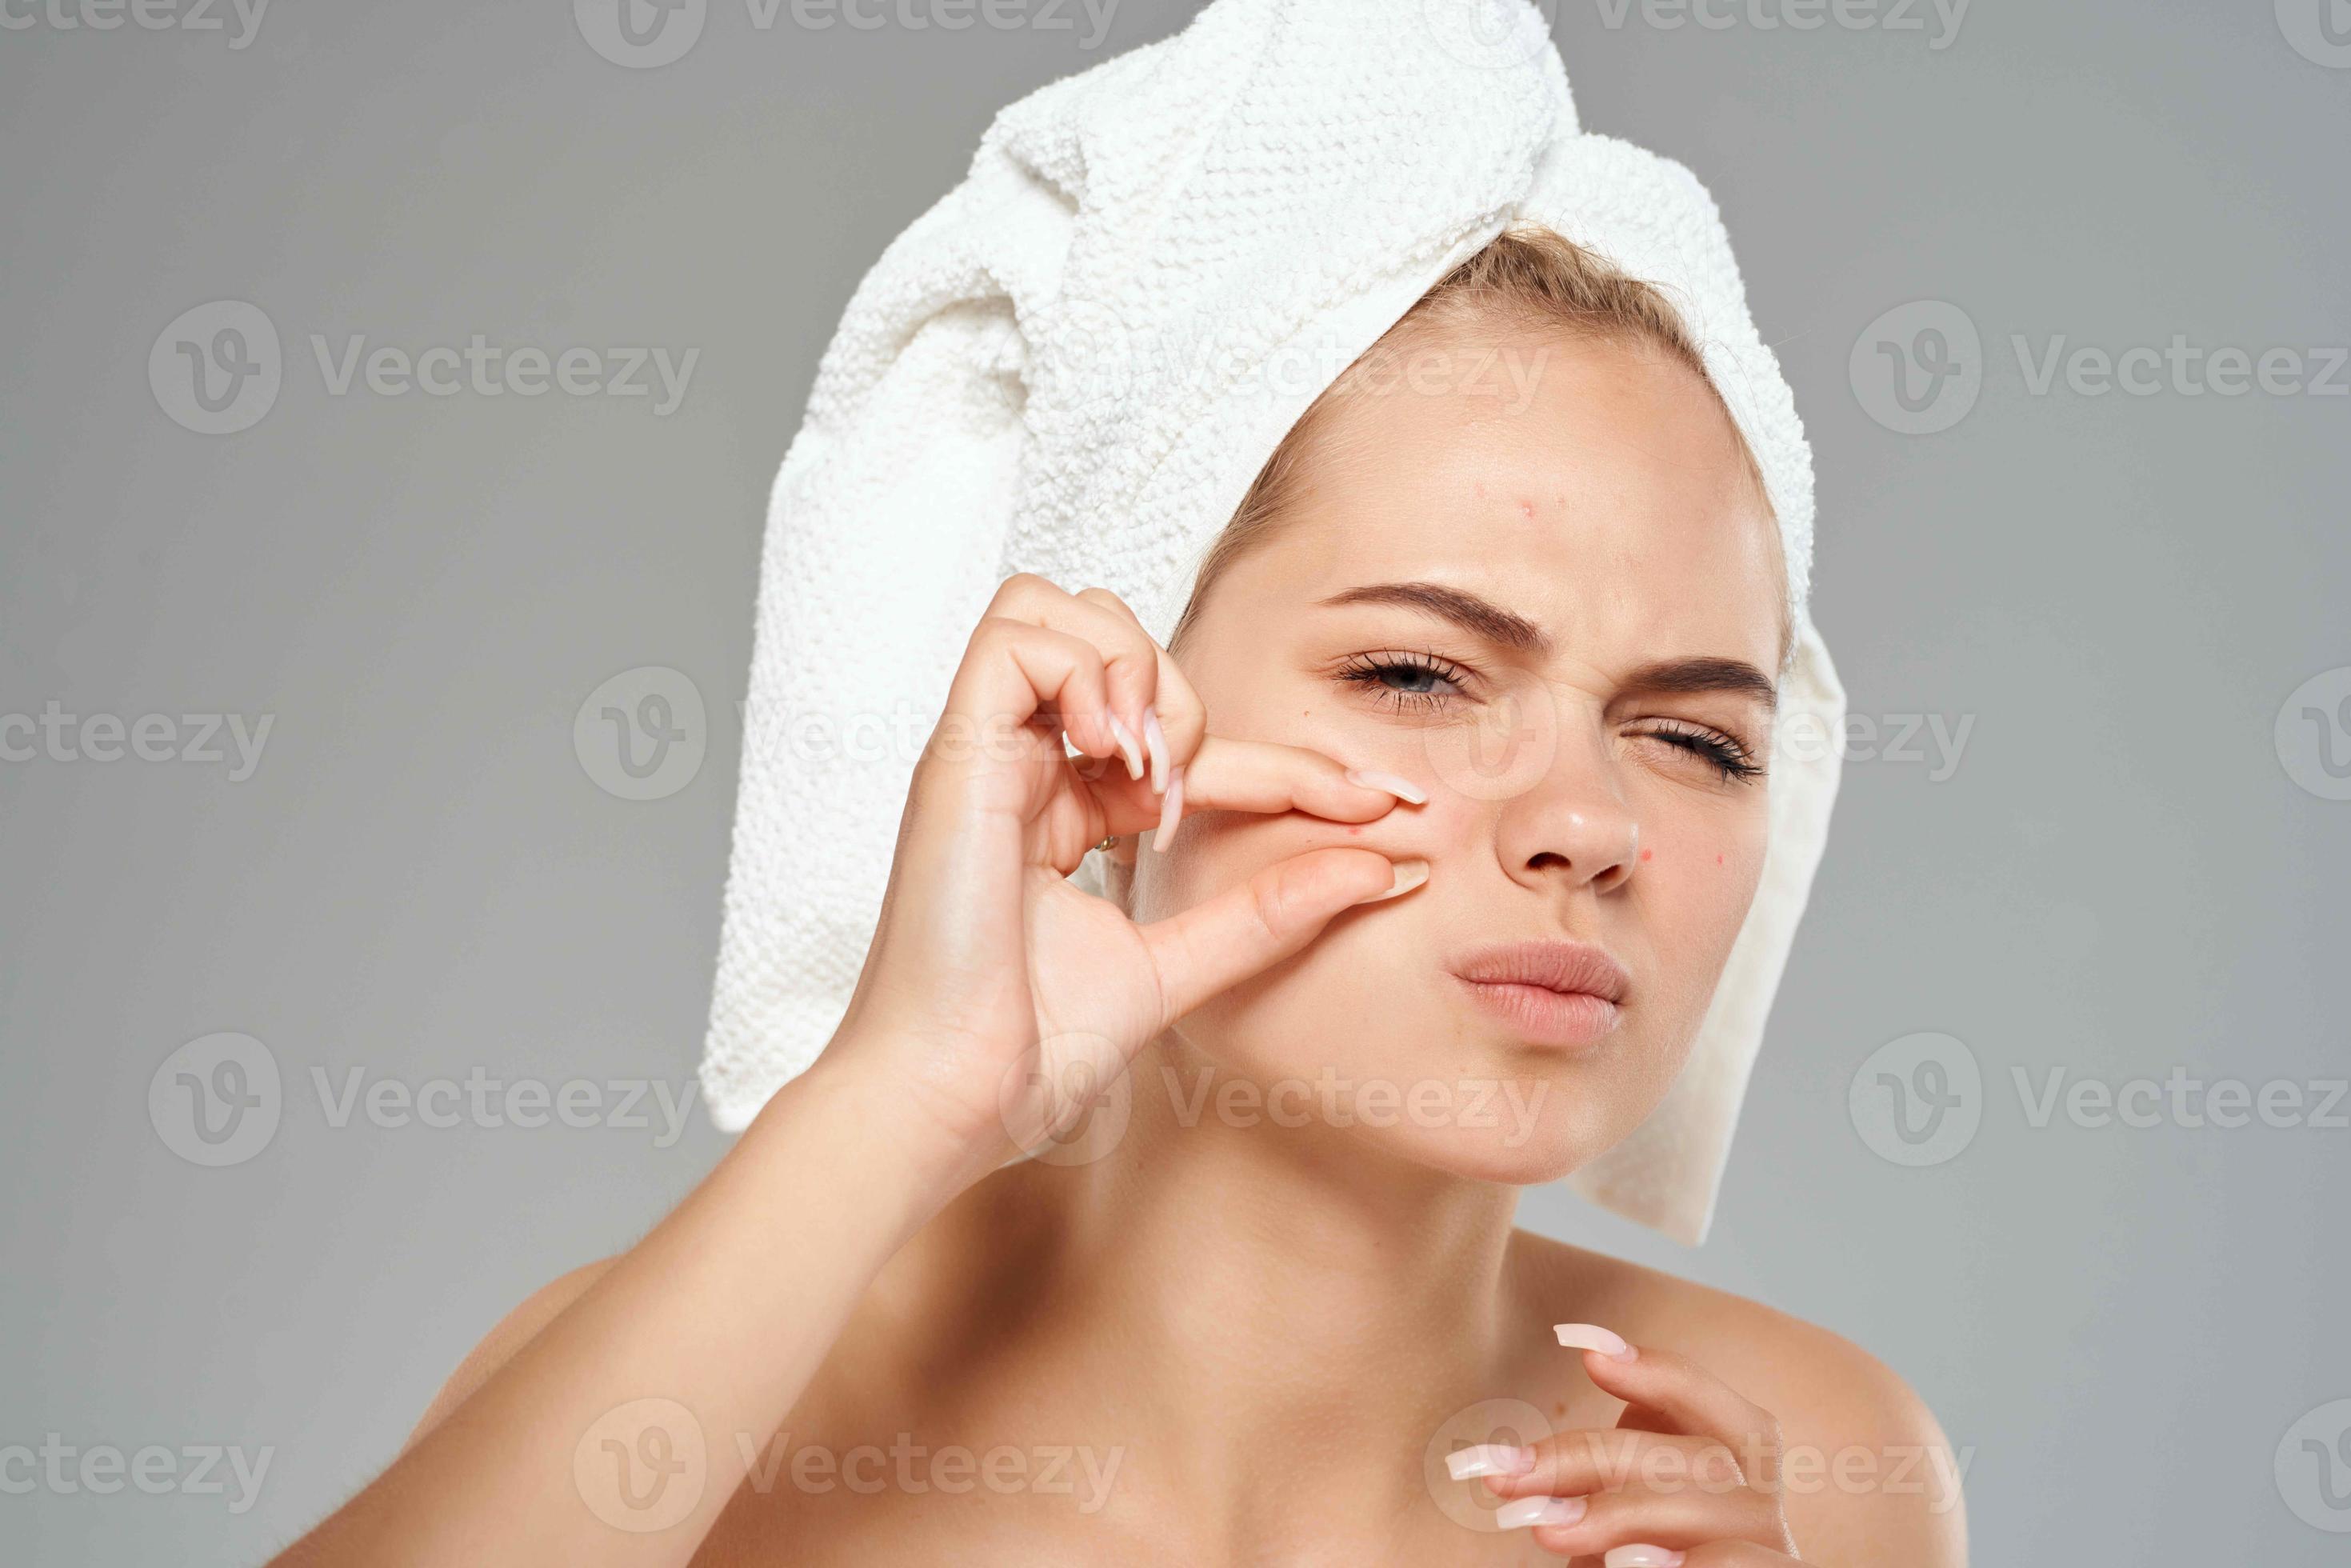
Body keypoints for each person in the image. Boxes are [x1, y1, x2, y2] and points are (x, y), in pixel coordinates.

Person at [269, 227, 1966, 1566]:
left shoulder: (1808, 1470)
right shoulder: (693, 1425)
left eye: (1691, 736)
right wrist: (901, 1090)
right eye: (1419, 671)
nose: (1589, 821)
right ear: (1125, 709)